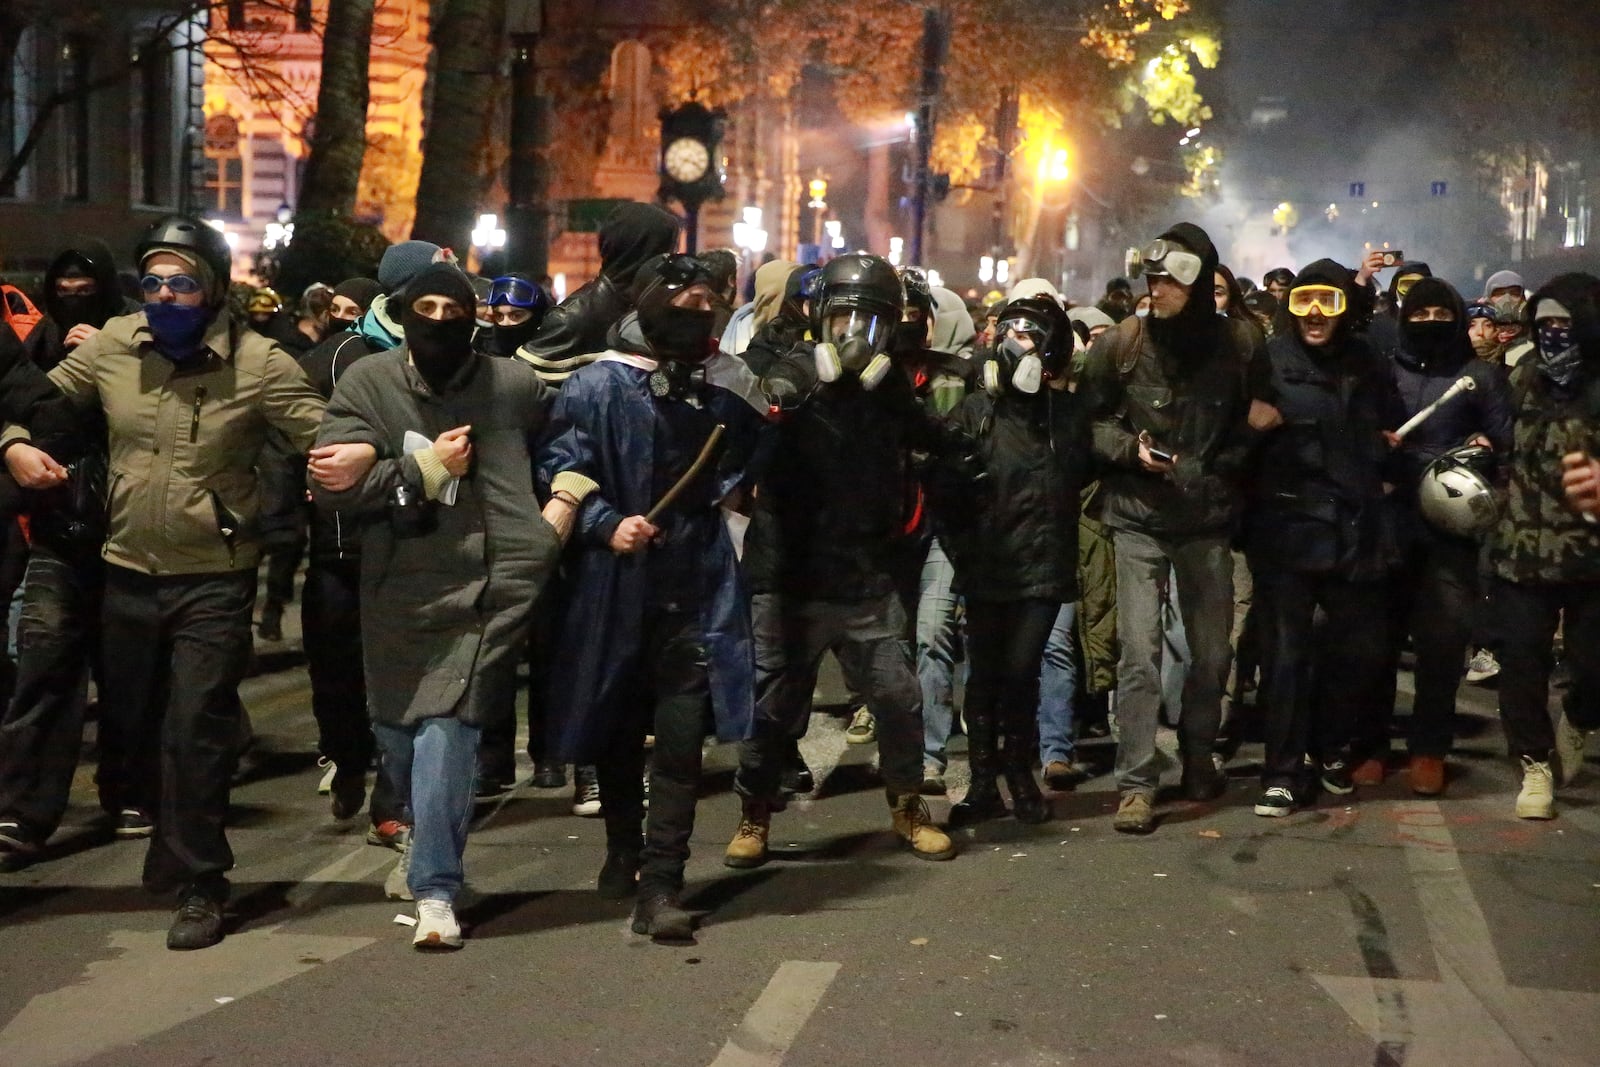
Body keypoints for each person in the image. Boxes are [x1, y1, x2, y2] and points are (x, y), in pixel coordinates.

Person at [0, 215, 326, 949]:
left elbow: (326, 432)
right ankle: (167, 849)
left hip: (213, 578)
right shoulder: (116, 344)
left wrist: (362, 455)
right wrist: (15, 445)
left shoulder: (261, 363)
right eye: (152, 282)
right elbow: (34, 405)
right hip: (126, 573)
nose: (166, 295)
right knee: (138, 727)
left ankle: (202, 884)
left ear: (211, 286)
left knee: (196, 729)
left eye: (182, 282)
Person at [310, 263, 580, 949]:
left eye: (451, 307)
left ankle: (437, 889)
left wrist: (561, 509)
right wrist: (423, 470)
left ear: (474, 317)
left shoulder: (511, 383)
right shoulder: (368, 384)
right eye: (423, 306)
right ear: (403, 313)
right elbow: (336, 484)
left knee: (449, 727)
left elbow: (572, 435)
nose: (438, 319)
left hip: (496, 585)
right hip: (404, 585)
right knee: (399, 730)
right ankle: (418, 832)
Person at [539, 253, 769, 941]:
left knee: (678, 744)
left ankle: (662, 883)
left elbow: (751, 459)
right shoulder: (597, 387)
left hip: (696, 593)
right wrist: (609, 524)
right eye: (685, 297)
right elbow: (559, 467)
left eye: (710, 299)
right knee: (615, 727)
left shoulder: (726, 389)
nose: (699, 309)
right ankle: (622, 847)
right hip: (616, 591)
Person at [724, 254, 958, 868]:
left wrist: (900, 402)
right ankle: (754, 813)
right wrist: (787, 395)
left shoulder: (887, 390)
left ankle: (908, 805)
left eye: (870, 321)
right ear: (820, 318)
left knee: (898, 698)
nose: (855, 333)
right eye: (844, 317)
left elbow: (939, 439)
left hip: (864, 575)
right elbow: (740, 438)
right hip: (788, 575)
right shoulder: (783, 372)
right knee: (772, 707)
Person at [1078, 222, 1277, 834]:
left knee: (1212, 654)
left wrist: (1223, 468)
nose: (1156, 288)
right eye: (1152, 277)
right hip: (1138, 519)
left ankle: (1197, 759)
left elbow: (1263, 415)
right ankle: (1136, 783)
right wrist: (1130, 452)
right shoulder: (1122, 345)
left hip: (1207, 522)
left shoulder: (1241, 344)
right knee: (1138, 655)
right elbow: (1092, 422)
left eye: (1170, 279)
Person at [1242, 261, 1403, 816]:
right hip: (1286, 530)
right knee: (1286, 657)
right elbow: (1239, 439)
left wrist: (1383, 459)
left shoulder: (1368, 361)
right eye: (1305, 299)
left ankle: (1331, 751)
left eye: (1328, 301)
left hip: (1354, 530)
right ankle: (1283, 771)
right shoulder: (1268, 360)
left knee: (1355, 652)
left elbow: (1390, 425)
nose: (1314, 313)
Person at [0, 239, 138, 858]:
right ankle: (23, 811)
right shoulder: (33, 349)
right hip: (58, 531)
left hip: (131, 533)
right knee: (45, 670)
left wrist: (107, 360)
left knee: (129, 673)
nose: (73, 297)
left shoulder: (141, 341)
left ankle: (131, 788)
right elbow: (23, 408)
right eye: (64, 286)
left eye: (87, 286)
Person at [936, 296, 1090, 825]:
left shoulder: (1067, 416)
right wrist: (964, 544)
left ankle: (1019, 776)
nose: (1011, 341)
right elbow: (942, 486)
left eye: (1027, 334)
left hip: (1043, 568)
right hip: (987, 564)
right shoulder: (975, 412)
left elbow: (1094, 463)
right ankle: (983, 785)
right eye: (1008, 329)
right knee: (984, 674)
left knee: (1021, 672)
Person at [1359, 278, 1513, 794]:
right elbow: (1361, 427)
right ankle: (1370, 745)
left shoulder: (1480, 376)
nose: (1429, 323)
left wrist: (1486, 448)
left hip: (1449, 532)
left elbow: (1505, 444)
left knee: (1442, 645)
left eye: (1439, 314)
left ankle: (1429, 748)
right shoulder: (1383, 371)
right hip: (1386, 522)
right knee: (1375, 644)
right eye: (1419, 314)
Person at [1490, 274, 1600, 819]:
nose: (1554, 334)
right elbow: (1497, 438)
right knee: (1523, 667)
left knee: (1592, 664)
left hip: (1591, 555)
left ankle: (1581, 717)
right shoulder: (1521, 379)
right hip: (1523, 551)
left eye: (1565, 323)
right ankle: (1534, 764)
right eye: (1545, 324)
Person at [518, 202, 681, 385]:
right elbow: (527, 390)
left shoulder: (653, 310)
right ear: (642, 253)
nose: (673, 260)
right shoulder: (573, 318)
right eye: (669, 251)